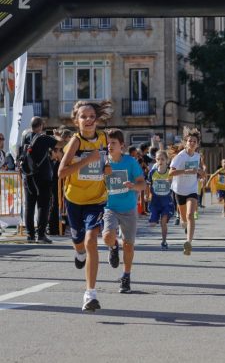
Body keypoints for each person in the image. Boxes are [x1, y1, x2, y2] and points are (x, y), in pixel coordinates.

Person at [58, 100, 112, 311]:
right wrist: (86, 160)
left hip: (96, 199)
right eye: (83, 117)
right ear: (76, 121)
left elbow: (105, 162)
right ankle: (78, 252)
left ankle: (90, 294)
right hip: (74, 199)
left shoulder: (104, 138)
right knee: (78, 241)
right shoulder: (75, 142)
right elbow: (61, 173)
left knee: (91, 241)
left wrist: (107, 168)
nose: (88, 120)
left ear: (97, 119)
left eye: (91, 116)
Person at [102, 129, 145, 294]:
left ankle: (126, 276)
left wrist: (134, 186)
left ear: (122, 146)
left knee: (128, 244)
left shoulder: (130, 162)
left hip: (128, 208)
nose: (109, 146)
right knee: (107, 237)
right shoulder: (103, 162)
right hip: (110, 207)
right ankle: (113, 248)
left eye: (113, 143)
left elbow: (142, 183)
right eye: (108, 143)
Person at [22, 117, 67, 244]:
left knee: (29, 205)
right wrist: (57, 135)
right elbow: (61, 143)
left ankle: (30, 235)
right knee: (43, 205)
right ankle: (41, 235)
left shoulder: (25, 135)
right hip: (42, 176)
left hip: (28, 175)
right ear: (41, 125)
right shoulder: (43, 138)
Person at [169, 127, 205, 256]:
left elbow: (199, 171)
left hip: (192, 189)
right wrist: (186, 171)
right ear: (185, 143)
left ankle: (188, 242)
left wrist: (201, 173)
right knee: (184, 219)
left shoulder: (197, 156)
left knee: (190, 215)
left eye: (194, 141)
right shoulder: (180, 157)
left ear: (197, 144)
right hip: (179, 190)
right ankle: (184, 224)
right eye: (189, 141)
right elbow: (170, 173)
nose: (191, 143)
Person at [148, 150, 174, 249]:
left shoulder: (170, 173)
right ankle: (154, 218)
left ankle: (164, 241)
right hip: (155, 202)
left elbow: (174, 186)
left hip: (166, 202)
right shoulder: (152, 173)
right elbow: (148, 184)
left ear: (167, 160)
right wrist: (147, 196)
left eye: (162, 159)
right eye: (158, 159)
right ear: (156, 160)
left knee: (163, 222)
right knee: (153, 224)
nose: (160, 161)